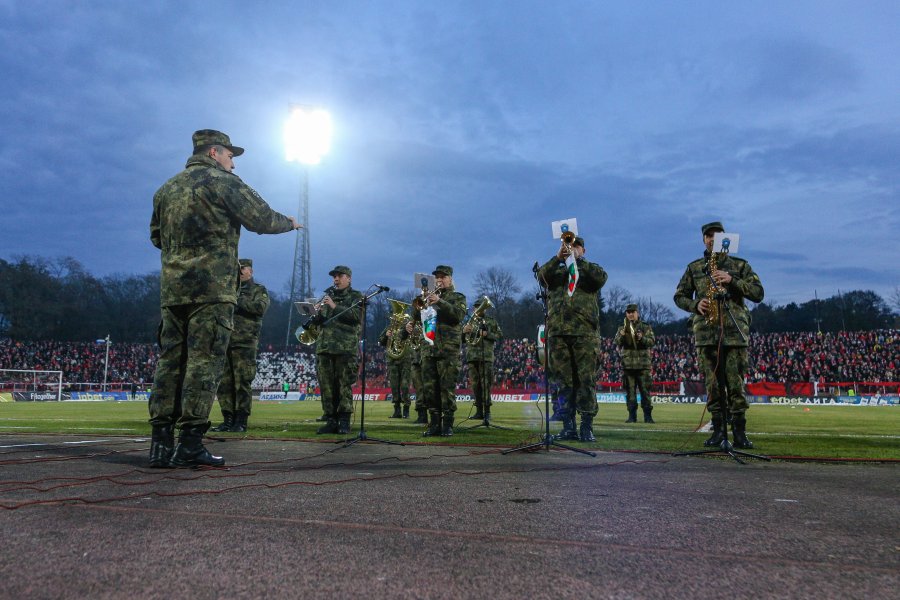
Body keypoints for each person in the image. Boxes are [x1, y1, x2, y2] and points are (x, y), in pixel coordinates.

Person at [148, 129, 300, 468]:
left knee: (170, 363)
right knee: (204, 364)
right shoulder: (223, 182)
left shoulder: (166, 189)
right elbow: (261, 218)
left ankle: (160, 444)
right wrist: (288, 223)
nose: (233, 163)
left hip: (173, 291)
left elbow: (157, 237)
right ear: (215, 152)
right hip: (212, 291)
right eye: (230, 156)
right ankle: (189, 444)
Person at [674, 221, 764, 449]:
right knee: (712, 385)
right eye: (708, 236)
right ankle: (718, 430)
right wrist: (695, 304)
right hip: (706, 334)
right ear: (703, 240)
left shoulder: (740, 265)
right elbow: (679, 296)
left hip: (734, 333)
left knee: (735, 384)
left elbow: (758, 293)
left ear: (726, 238)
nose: (712, 239)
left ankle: (740, 433)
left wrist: (732, 280)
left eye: (717, 235)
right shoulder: (694, 267)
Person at [537, 236, 607, 442]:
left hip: (584, 334)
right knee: (564, 382)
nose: (572, 248)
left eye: (576, 246)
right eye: (569, 246)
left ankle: (587, 426)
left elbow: (601, 278)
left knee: (586, 381)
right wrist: (558, 257)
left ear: (583, 250)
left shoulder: (588, 269)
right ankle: (568, 426)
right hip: (558, 333)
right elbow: (541, 277)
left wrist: (578, 261)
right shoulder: (555, 271)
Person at [212, 258, 269, 433]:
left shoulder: (258, 290)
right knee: (224, 383)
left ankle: (241, 420)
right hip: (225, 341)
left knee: (242, 382)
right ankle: (227, 418)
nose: (240, 271)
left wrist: (236, 300)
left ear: (251, 271)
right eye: (238, 268)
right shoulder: (227, 289)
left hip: (245, 342)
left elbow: (260, 308)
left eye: (243, 268)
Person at [408, 265, 466, 436]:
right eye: (437, 277)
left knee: (446, 388)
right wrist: (410, 323)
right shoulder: (426, 297)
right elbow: (417, 318)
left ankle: (447, 424)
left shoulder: (457, 297)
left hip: (447, 351)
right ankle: (434, 424)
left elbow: (457, 316)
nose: (439, 280)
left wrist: (439, 301)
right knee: (430, 389)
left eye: (443, 277)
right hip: (428, 350)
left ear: (450, 279)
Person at [312, 266, 363, 435]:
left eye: (340, 276)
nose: (336, 279)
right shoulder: (327, 296)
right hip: (325, 347)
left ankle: (343, 421)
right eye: (334, 276)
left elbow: (355, 317)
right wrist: (315, 312)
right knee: (327, 387)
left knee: (343, 386)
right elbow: (320, 322)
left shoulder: (356, 296)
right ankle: (331, 419)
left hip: (345, 349)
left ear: (349, 278)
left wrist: (334, 306)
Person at [614, 304, 656, 423]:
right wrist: (622, 335)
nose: (630, 314)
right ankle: (632, 416)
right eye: (628, 312)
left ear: (637, 313)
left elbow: (652, 342)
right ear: (626, 314)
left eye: (633, 312)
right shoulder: (622, 328)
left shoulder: (645, 327)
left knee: (645, 392)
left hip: (643, 366)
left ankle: (648, 416)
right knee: (630, 394)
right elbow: (616, 342)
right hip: (628, 366)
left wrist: (642, 338)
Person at [463, 297, 502, 422]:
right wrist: (463, 332)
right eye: (476, 306)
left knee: (486, 385)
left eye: (480, 306)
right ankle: (479, 411)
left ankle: (487, 411)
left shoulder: (491, 322)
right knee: (475, 385)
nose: (478, 309)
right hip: (472, 357)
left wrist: (488, 334)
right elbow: (462, 340)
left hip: (486, 357)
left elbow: (500, 336)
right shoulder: (469, 322)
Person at [378, 315, 413, 418]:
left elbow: (407, 336)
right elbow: (381, 341)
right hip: (392, 359)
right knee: (394, 386)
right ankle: (397, 410)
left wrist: (405, 330)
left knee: (405, 385)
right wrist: (386, 335)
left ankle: (406, 409)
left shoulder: (408, 326)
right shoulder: (390, 327)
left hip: (405, 359)